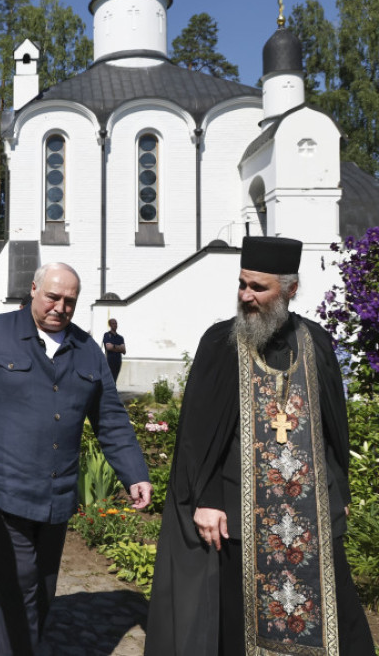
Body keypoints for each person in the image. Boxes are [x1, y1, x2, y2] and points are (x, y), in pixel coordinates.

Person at [145, 237, 373, 655]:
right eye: (242, 285)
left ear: (290, 289)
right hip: (239, 515)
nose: (246, 296)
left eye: (258, 288)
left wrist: (339, 491)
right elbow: (198, 436)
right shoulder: (220, 344)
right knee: (240, 628)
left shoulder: (317, 343)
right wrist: (207, 498)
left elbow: (332, 429)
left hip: (314, 518)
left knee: (337, 623)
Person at [0, 262, 152, 655]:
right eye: (52, 297)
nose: (60, 307)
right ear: (33, 290)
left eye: (70, 301)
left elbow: (110, 418)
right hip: (2, 494)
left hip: (56, 498)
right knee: (16, 591)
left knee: (41, 590)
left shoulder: (87, 350)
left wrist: (134, 474)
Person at [102, 318, 126, 382]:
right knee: (109, 379)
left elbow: (124, 350)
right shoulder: (107, 335)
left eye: (116, 323)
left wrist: (113, 347)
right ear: (110, 325)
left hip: (117, 361)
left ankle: (113, 391)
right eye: (113, 323)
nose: (115, 325)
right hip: (109, 361)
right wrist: (119, 347)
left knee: (114, 379)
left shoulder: (120, 338)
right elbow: (108, 347)